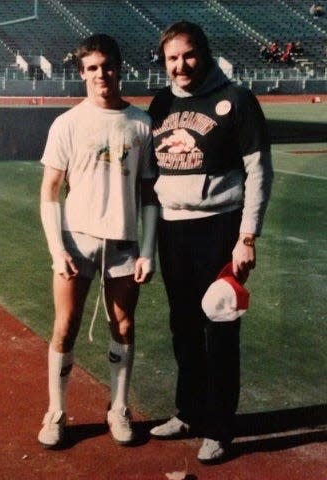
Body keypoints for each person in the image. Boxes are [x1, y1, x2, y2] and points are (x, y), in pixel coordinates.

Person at [148, 21, 273, 463]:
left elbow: (258, 171)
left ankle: (219, 427)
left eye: (188, 55)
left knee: (219, 327)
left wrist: (247, 236)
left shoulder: (237, 99)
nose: (180, 66)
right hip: (172, 229)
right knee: (183, 326)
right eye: (172, 58)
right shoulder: (160, 103)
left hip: (220, 228)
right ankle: (188, 412)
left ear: (204, 53)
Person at [37, 33, 158, 449]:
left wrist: (147, 250)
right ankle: (56, 412)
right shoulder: (67, 123)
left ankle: (118, 408)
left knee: (123, 325)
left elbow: (149, 194)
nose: (101, 74)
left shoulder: (142, 123)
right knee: (65, 326)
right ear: (83, 73)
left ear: (119, 67)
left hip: (123, 243)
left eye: (107, 65)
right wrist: (57, 250)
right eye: (92, 68)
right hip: (76, 240)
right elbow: (50, 191)